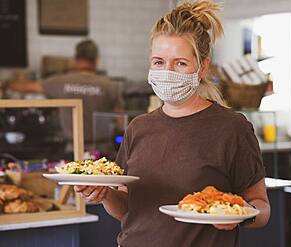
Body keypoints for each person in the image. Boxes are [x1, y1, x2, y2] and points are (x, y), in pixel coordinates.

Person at [74, 1, 270, 246]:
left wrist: (239, 215)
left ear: (202, 67)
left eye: (180, 63)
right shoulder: (138, 127)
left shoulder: (231, 128)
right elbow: (125, 207)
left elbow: (261, 209)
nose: (167, 72)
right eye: (159, 62)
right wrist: (104, 195)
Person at [9, 39, 125, 150]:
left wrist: (5, 84)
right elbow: (121, 121)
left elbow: (28, 87)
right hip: (102, 150)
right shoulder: (110, 86)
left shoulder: (61, 82)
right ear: (96, 60)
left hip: (73, 149)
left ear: (76, 60)